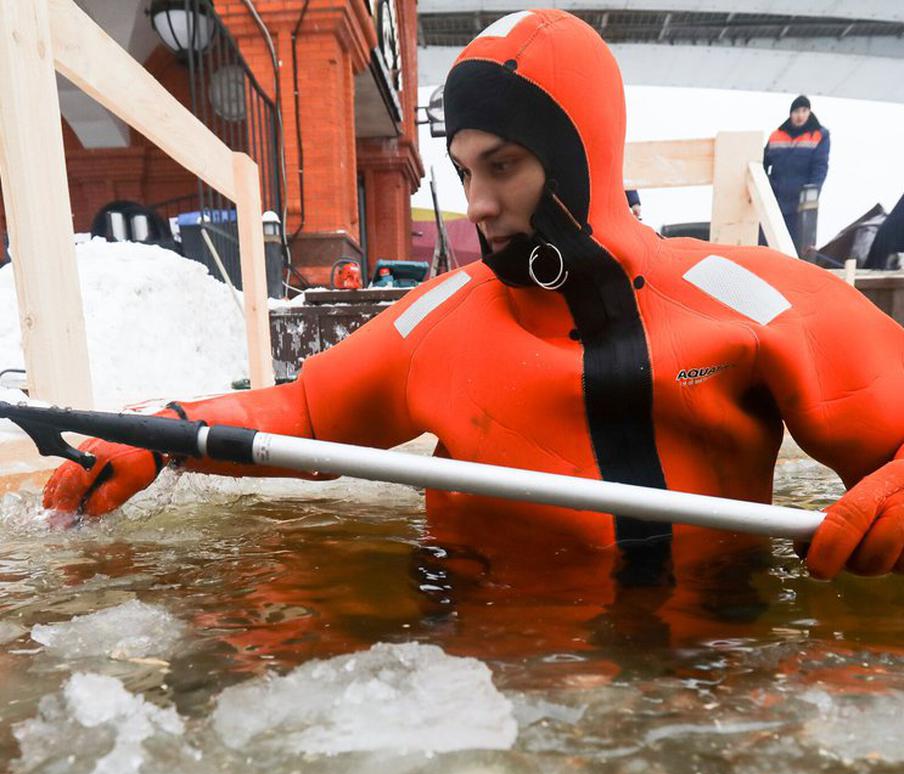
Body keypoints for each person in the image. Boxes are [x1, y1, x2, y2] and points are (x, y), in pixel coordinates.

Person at [44, 10, 904, 583]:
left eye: (504, 165)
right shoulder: (440, 319)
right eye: (463, 171)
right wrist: (164, 431)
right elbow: (304, 412)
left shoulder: (752, 299)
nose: (479, 204)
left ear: (580, 157)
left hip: (721, 656)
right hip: (487, 670)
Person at [763, 95, 830, 253]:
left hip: (800, 203)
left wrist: (812, 192)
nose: (800, 115)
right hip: (777, 198)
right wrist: (768, 187)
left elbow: (820, 167)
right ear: (790, 113)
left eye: (804, 111)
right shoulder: (776, 135)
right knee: (769, 241)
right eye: (796, 111)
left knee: (795, 246)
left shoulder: (819, 135)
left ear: (809, 112)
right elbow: (763, 162)